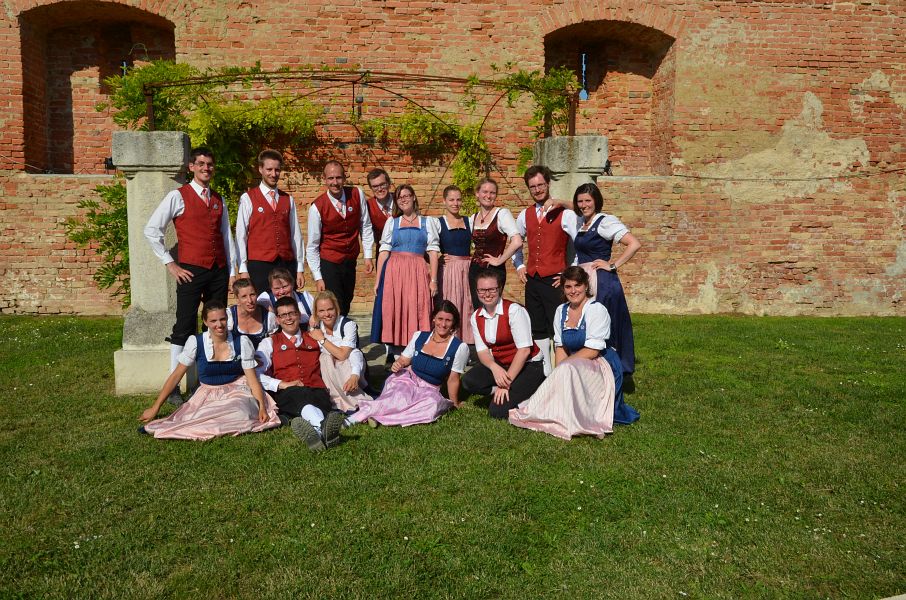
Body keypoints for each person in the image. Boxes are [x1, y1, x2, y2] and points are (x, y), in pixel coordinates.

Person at [144, 147, 236, 406]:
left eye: (210, 164)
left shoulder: (218, 199)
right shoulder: (178, 196)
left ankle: (209, 379)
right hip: (191, 270)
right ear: (192, 167)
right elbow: (151, 230)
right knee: (184, 325)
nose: (206, 168)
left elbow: (226, 237)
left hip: (218, 270)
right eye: (201, 164)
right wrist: (170, 264)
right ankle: (174, 386)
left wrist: (231, 270)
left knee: (215, 324)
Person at [509, 267, 639, 439]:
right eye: (568, 287)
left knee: (566, 369)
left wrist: (565, 367)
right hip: (574, 364)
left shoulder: (596, 310)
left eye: (577, 285)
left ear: (586, 286)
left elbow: (593, 350)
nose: (573, 291)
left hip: (600, 362)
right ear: (563, 289)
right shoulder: (560, 311)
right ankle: (546, 411)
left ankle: (581, 420)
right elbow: (560, 347)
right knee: (562, 372)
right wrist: (559, 372)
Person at [139, 300, 280, 440]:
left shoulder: (241, 342)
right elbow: (176, 376)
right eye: (213, 321)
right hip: (207, 394)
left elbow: (252, 380)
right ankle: (211, 425)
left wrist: (262, 406)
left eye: (222, 319)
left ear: (227, 318)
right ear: (205, 322)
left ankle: (217, 424)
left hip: (237, 391)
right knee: (197, 417)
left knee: (240, 412)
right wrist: (155, 407)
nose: (219, 325)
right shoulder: (196, 342)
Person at [349, 301, 469, 427]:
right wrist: (398, 364)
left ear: (454, 322)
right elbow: (404, 359)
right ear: (434, 318)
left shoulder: (459, 347)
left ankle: (377, 416)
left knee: (433, 405)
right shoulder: (419, 336)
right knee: (400, 397)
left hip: (430, 389)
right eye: (440, 319)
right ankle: (352, 419)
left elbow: (453, 379)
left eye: (448, 320)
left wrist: (454, 402)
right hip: (408, 379)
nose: (443, 324)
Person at [255, 296, 346, 452]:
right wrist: (281, 384)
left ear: (298, 315)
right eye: (283, 315)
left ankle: (317, 432)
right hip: (288, 394)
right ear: (277, 319)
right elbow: (256, 374)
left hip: (318, 391)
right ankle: (322, 426)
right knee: (298, 394)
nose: (288, 318)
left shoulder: (314, 338)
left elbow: (339, 353)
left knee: (313, 397)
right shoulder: (269, 342)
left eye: (292, 313)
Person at [513, 165, 578, 375]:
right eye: (533, 187)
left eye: (541, 185)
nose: (537, 189)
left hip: (555, 280)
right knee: (537, 327)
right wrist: (519, 265)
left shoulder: (565, 213)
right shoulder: (525, 215)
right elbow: (515, 242)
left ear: (548, 184)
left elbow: (581, 243)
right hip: (533, 280)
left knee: (557, 326)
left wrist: (569, 273)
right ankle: (544, 372)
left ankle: (562, 371)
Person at [571, 183, 641, 375]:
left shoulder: (605, 222)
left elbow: (634, 244)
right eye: (580, 201)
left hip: (602, 282)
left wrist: (613, 265)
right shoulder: (582, 223)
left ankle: (614, 369)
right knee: (588, 324)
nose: (583, 205)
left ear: (596, 201)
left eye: (588, 200)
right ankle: (591, 369)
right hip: (585, 279)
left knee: (604, 325)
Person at [462, 268, 546, 419]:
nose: (487, 294)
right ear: (477, 291)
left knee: (497, 412)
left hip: (529, 365)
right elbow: (482, 351)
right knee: (469, 381)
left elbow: (524, 351)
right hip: (502, 364)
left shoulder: (514, 311)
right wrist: (494, 368)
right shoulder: (476, 316)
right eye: (482, 290)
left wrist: (505, 384)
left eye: (492, 289)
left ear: (499, 288)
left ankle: (534, 390)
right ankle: (506, 393)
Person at [371, 184, 440, 350]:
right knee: (396, 307)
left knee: (418, 305)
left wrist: (434, 280)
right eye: (400, 197)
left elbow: (433, 252)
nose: (403, 199)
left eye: (406, 195)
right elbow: (383, 252)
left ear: (414, 197)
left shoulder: (427, 222)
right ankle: (396, 351)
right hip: (394, 272)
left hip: (417, 270)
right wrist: (378, 280)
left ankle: (417, 347)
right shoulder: (392, 222)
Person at [306, 160, 374, 316]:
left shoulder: (357, 194)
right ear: (324, 179)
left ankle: (342, 328)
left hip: (350, 260)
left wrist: (368, 256)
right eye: (330, 178)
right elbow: (312, 246)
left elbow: (366, 225)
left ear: (345, 177)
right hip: (330, 262)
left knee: (347, 300)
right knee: (336, 305)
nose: (335, 182)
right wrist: (318, 277)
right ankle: (338, 330)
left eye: (338, 177)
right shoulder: (317, 207)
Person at [235, 149, 305, 296]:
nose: (273, 174)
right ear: (260, 169)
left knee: (287, 304)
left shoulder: (288, 199)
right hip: (259, 264)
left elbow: (296, 235)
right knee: (262, 303)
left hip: (286, 263)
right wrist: (243, 269)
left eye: (277, 170)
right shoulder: (248, 198)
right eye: (269, 169)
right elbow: (241, 236)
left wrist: (299, 268)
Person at [307, 291, 372, 412]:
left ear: (336, 308)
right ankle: (350, 402)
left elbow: (345, 355)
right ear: (316, 313)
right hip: (330, 370)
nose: (327, 314)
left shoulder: (348, 325)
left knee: (345, 357)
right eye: (321, 311)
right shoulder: (316, 327)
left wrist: (322, 339)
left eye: (330, 309)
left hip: (351, 366)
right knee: (324, 358)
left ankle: (356, 402)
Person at [468, 178, 522, 309]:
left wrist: (499, 261)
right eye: (485, 192)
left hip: (494, 271)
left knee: (492, 308)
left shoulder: (502, 214)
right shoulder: (473, 218)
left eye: (492, 193)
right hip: (475, 271)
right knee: (478, 309)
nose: (488, 196)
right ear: (477, 193)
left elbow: (517, 241)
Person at [437, 185, 474, 344]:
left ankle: (467, 341)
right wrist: (438, 257)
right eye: (451, 200)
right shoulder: (438, 223)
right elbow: (428, 248)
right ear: (444, 201)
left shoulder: (469, 221)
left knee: (468, 304)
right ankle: (450, 341)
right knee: (451, 303)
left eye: (458, 199)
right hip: (449, 270)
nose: (455, 203)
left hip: (467, 269)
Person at [227, 277, 275, 349]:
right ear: (237, 299)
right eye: (244, 296)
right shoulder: (228, 316)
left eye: (252, 294)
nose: (250, 300)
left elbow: (274, 347)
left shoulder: (268, 317)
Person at [365, 168, 395, 246]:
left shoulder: (400, 200)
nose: (380, 189)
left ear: (389, 183)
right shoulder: (367, 206)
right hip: (382, 250)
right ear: (371, 188)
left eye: (382, 184)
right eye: (375, 186)